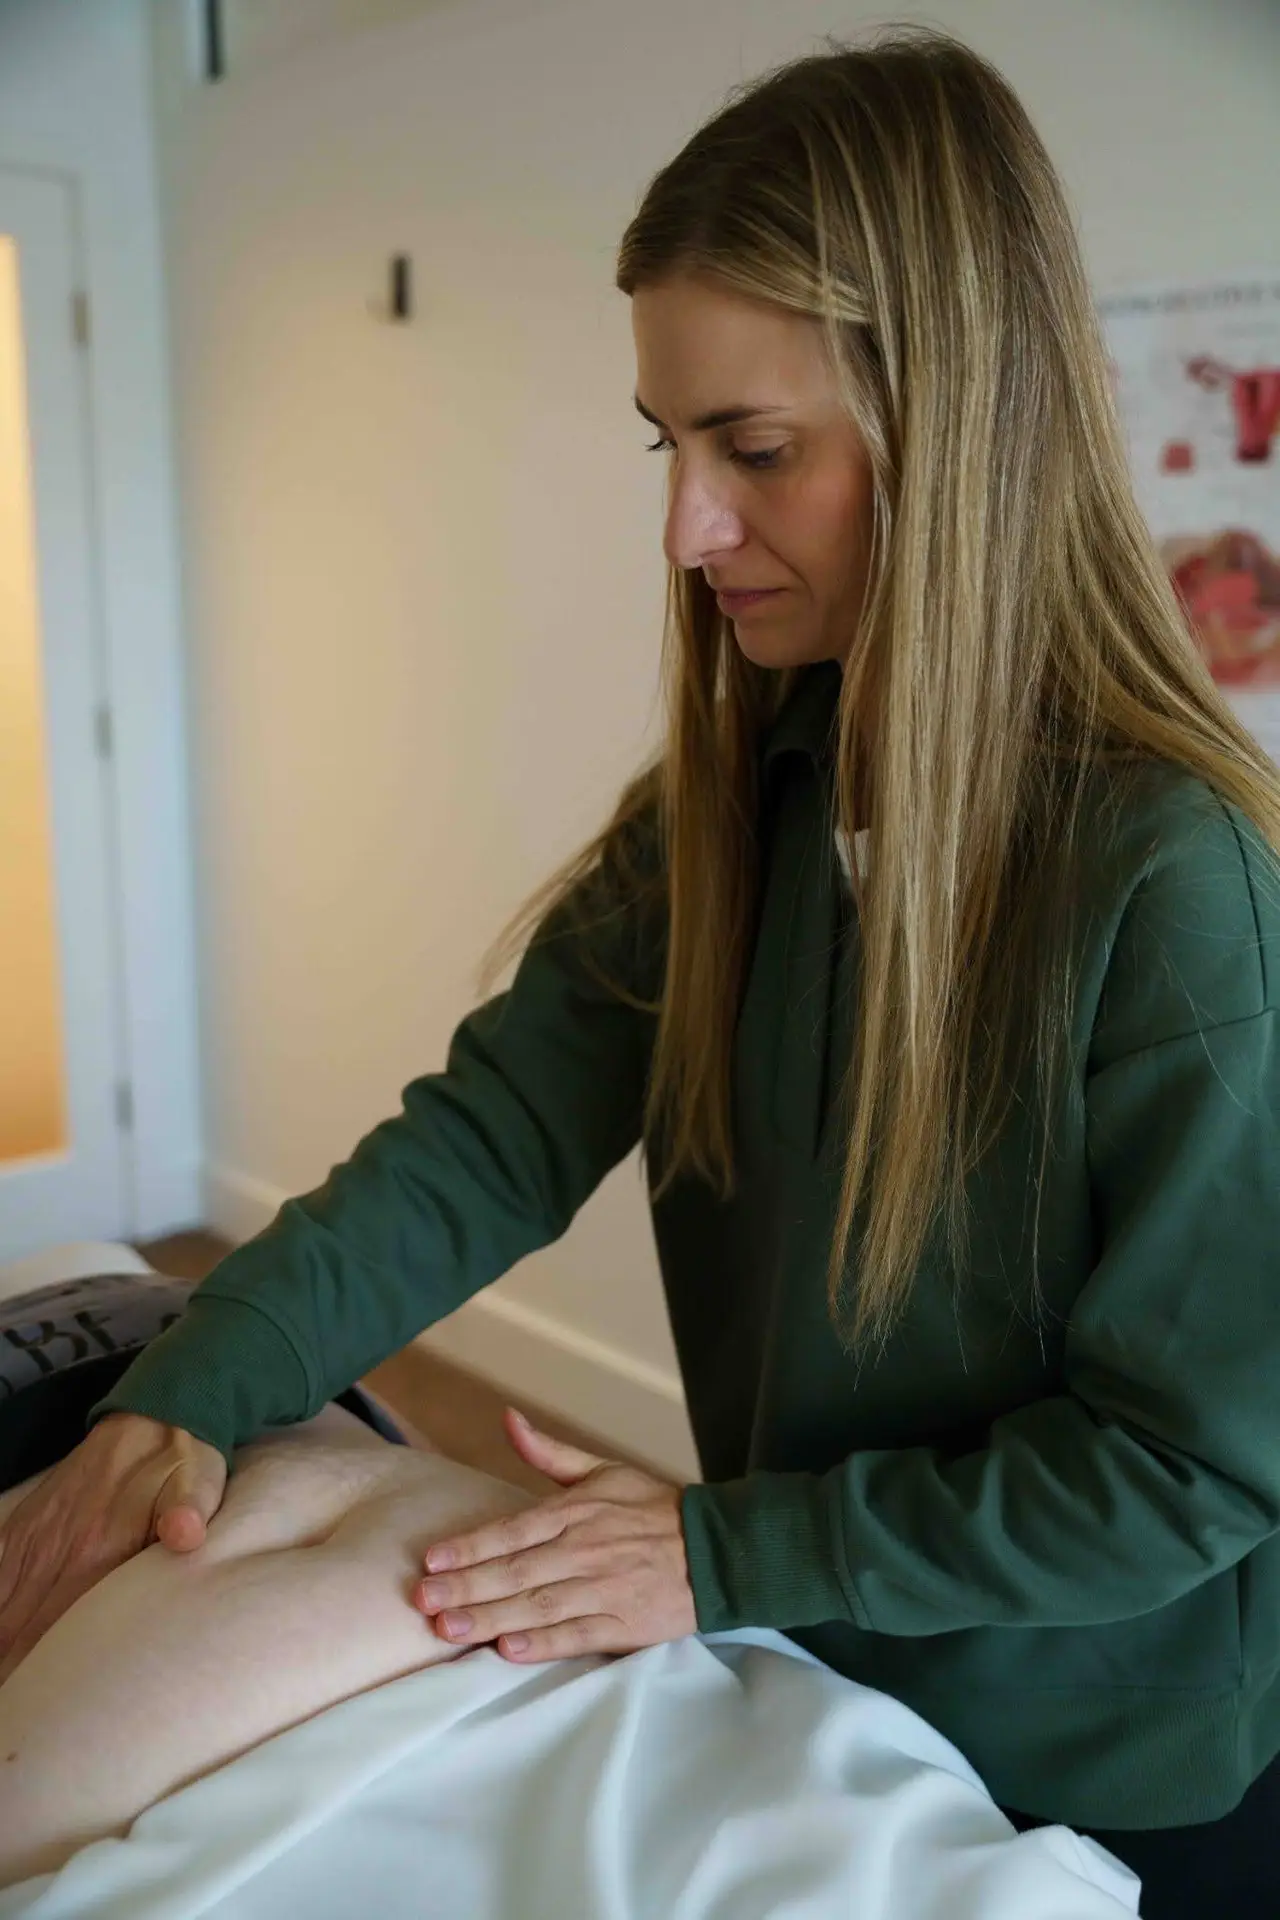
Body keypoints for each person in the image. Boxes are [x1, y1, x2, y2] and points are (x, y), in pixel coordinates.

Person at [3, 25, 1280, 1915]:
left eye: (754, 451)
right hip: (826, 1672)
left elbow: (1194, 1470)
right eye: (668, 446)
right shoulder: (745, 802)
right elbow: (492, 1136)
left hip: (1116, 1765)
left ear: (961, 424)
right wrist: (197, 1381)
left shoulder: (1173, 885)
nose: (688, 530)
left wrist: (724, 1554)